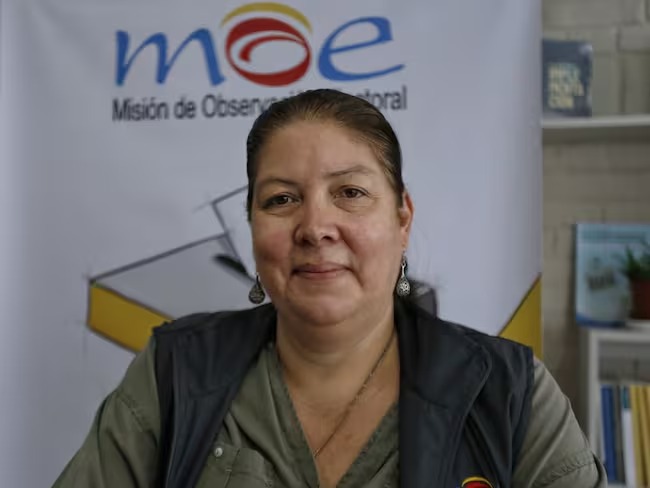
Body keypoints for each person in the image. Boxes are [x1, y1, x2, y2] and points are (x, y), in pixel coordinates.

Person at [53, 89, 606, 488]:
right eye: (281, 199)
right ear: (252, 230)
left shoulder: (510, 392)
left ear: (402, 218)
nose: (315, 227)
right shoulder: (174, 372)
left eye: (350, 193)